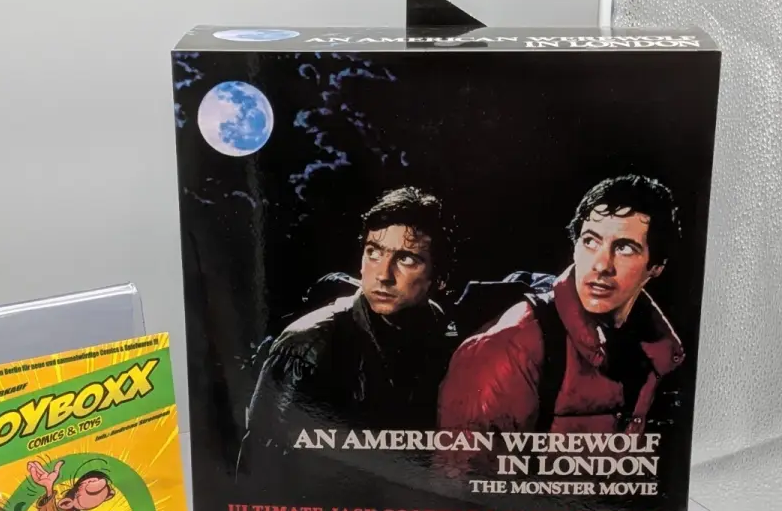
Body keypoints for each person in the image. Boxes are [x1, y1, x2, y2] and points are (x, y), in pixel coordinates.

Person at [436, 175, 685, 473]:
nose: (601, 265)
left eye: (625, 248)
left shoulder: (663, 354)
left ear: (656, 266)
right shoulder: (510, 346)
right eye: (590, 241)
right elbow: (462, 488)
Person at [238, 187, 454, 470]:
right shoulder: (307, 347)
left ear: (440, 277)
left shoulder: (441, 330)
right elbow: (259, 469)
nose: (383, 275)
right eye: (374, 252)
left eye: (406, 259)